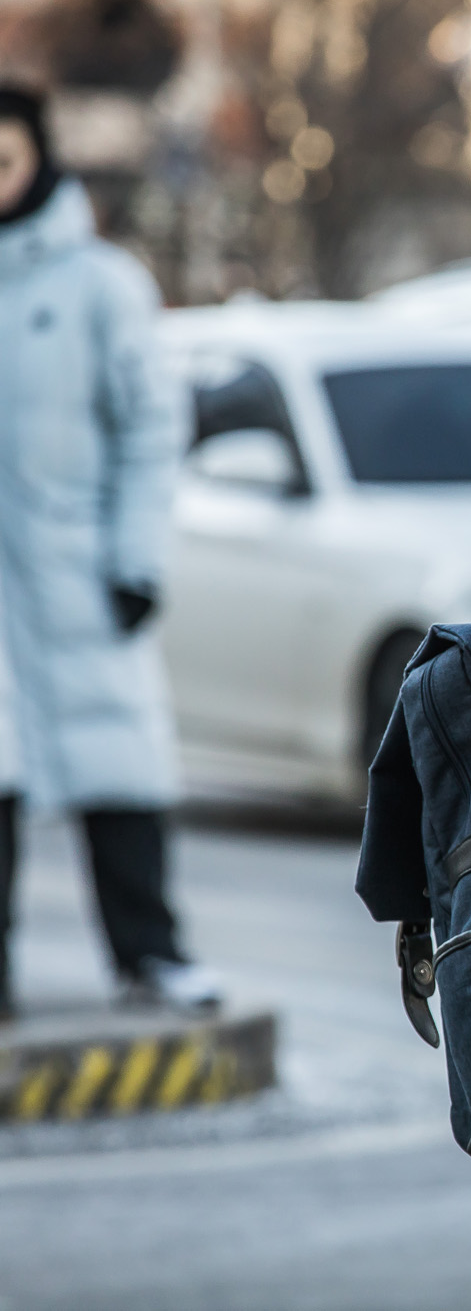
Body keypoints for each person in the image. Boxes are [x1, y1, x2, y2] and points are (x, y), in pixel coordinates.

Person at [0, 83, 219, 1017]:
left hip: (77, 566)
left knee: (118, 763)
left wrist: (135, 560)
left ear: (39, 159)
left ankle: (152, 953)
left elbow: (148, 428)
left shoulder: (100, 284)